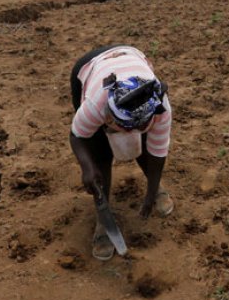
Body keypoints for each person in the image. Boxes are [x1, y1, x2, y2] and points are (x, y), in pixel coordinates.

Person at [69, 44, 174, 260]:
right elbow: (77, 135)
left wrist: (150, 194)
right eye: (125, 126)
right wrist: (87, 168)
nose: (129, 132)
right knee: (100, 155)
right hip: (90, 69)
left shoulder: (158, 107)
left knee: (145, 146)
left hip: (131, 57)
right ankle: (103, 220)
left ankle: (159, 191)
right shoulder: (96, 104)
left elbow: (157, 153)